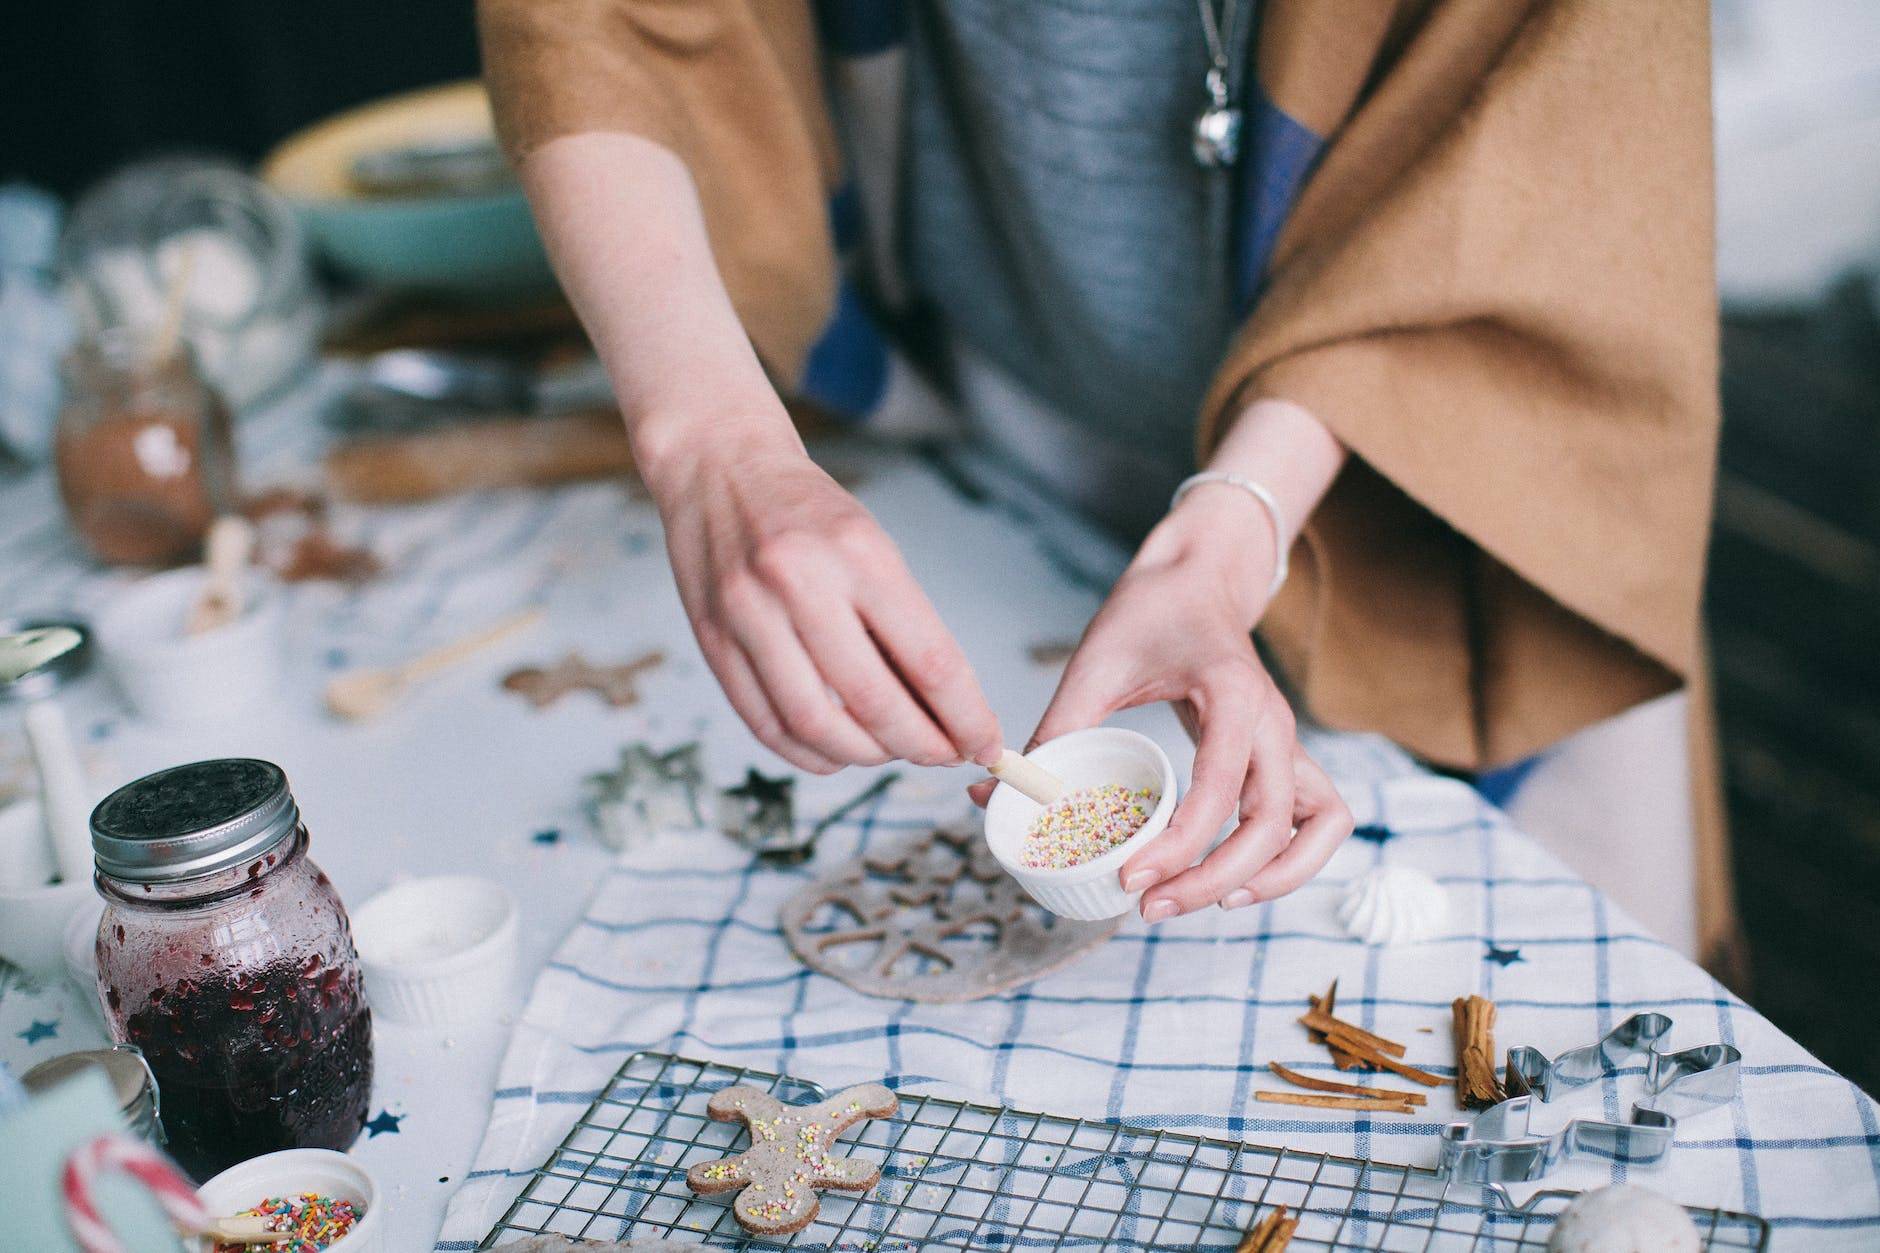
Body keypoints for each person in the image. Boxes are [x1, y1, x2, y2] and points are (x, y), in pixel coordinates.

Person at [476, 1, 1733, 957]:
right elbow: (599, 29)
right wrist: (710, 440)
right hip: (1007, 403)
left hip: (1444, 472)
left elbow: (1544, 145)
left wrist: (1227, 528)